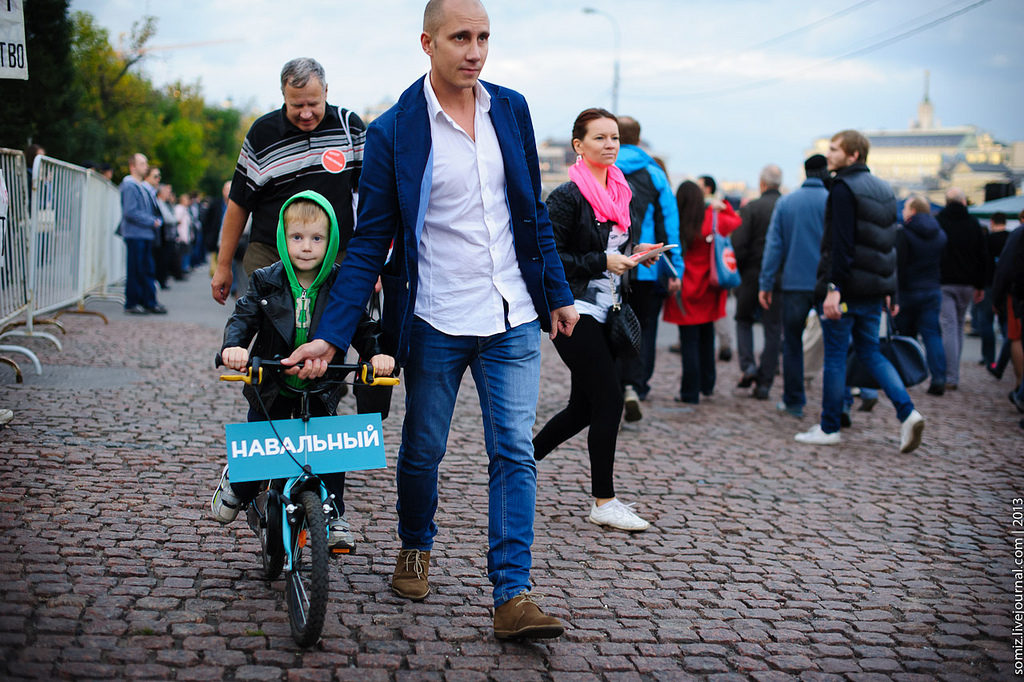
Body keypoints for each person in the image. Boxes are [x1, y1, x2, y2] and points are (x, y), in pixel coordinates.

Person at [281, 0, 578, 640]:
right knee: (423, 450)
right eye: (460, 37)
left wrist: (555, 291)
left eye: (484, 38)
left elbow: (531, 217)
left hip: (513, 317)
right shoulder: (394, 131)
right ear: (428, 43)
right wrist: (331, 335)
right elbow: (370, 243)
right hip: (437, 318)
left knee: (514, 453)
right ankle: (416, 541)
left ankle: (512, 595)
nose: (474, 51)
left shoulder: (514, 109)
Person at [210, 191, 394, 550]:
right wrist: (233, 348)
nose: (306, 247)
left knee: (331, 451)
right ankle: (238, 482)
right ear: (282, 237)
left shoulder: (341, 283)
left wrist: (377, 355)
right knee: (261, 450)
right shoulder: (266, 279)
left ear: (331, 241)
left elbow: (364, 326)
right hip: (272, 383)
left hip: (321, 385)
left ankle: (334, 513)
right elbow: (244, 316)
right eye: (297, 237)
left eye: (316, 239)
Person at [533, 109, 662, 532]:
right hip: (572, 308)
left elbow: (612, 247)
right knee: (608, 399)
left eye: (615, 138)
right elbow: (548, 257)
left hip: (608, 308)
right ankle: (604, 501)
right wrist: (601, 260)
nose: (610, 145)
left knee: (582, 407)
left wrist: (637, 252)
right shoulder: (567, 197)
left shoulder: (623, 192)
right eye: (600, 138)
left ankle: (520, 464)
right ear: (579, 145)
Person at [795, 129, 924, 453]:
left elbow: (841, 244)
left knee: (836, 358)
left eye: (835, 149)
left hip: (847, 289)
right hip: (873, 289)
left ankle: (829, 427)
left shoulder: (842, 187)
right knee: (871, 353)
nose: (829, 154)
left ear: (853, 155)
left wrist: (833, 288)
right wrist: (890, 287)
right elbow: (887, 244)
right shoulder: (882, 188)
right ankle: (908, 412)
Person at [211, 58, 365, 304]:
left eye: (314, 104)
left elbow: (369, 198)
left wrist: (369, 262)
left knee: (325, 335)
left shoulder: (350, 128)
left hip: (334, 257)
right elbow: (239, 203)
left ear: (326, 91)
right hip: (271, 256)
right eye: (297, 105)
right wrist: (223, 265)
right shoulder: (262, 134)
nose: (306, 113)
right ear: (283, 95)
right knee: (274, 333)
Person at [614, 115, 682, 420]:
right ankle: (637, 385)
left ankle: (613, 383)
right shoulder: (655, 173)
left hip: (612, 265)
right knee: (645, 327)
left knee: (609, 324)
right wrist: (675, 267)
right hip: (648, 265)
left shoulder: (605, 169)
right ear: (639, 138)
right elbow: (670, 222)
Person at [757, 154, 829, 418]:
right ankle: (839, 403)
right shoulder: (833, 200)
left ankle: (794, 400)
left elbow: (774, 247)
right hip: (827, 283)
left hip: (795, 282)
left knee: (793, 342)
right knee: (835, 343)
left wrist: (765, 283)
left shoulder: (788, 203)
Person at [664, 180, 741, 403]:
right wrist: (722, 205)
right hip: (709, 287)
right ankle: (707, 385)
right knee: (707, 340)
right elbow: (736, 220)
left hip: (684, 288)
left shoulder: (675, 222)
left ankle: (689, 392)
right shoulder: (712, 219)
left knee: (689, 342)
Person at [733, 164, 783, 399]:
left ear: (762, 184)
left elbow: (739, 244)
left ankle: (748, 366)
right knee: (773, 329)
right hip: (780, 276)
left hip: (752, 272)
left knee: (743, 320)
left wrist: (741, 272)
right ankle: (765, 382)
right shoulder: (786, 207)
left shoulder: (752, 208)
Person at [894, 195, 948, 395]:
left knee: (905, 336)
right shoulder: (940, 234)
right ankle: (939, 377)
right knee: (932, 335)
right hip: (932, 289)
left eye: (907, 208)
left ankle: (905, 376)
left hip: (909, 291)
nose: (904, 211)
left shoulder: (905, 233)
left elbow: (898, 266)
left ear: (914, 210)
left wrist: (894, 295)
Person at [936, 187, 988, 390]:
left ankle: (951, 376)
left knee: (948, 327)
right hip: (967, 283)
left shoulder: (940, 222)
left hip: (944, 281)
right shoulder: (974, 224)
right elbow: (982, 256)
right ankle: (953, 372)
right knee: (957, 327)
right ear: (964, 202)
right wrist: (980, 285)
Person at [117, 153, 166, 315]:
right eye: (142, 163)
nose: (146, 166)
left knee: (146, 269)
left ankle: (147, 301)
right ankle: (132, 303)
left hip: (144, 234)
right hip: (136, 234)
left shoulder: (140, 186)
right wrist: (151, 221)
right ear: (133, 166)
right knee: (136, 270)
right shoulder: (130, 185)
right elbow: (130, 212)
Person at [697, 174, 734, 362]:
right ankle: (725, 344)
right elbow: (734, 222)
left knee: (709, 311)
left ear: (708, 189)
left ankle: (721, 344)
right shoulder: (714, 212)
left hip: (705, 269)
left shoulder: (705, 212)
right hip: (717, 268)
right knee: (719, 308)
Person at [980, 212, 1010, 373]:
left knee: (986, 322)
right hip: (1008, 286)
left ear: (992, 222)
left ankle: (989, 358)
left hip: (989, 284)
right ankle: (1008, 355)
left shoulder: (988, 240)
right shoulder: (1011, 238)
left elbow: (982, 263)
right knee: (1007, 324)